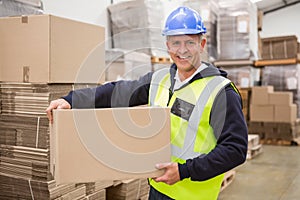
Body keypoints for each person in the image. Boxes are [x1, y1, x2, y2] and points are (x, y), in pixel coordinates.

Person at [46, 6, 248, 200]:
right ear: (167, 46)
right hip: (158, 188)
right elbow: (118, 91)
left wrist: (184, 171)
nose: (182, 50)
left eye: (190, 42)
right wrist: (71, 100)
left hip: (192, 195)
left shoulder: (220, 91)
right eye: (176, 43)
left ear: (202, 45)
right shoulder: (159, 80)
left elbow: (235, 149)